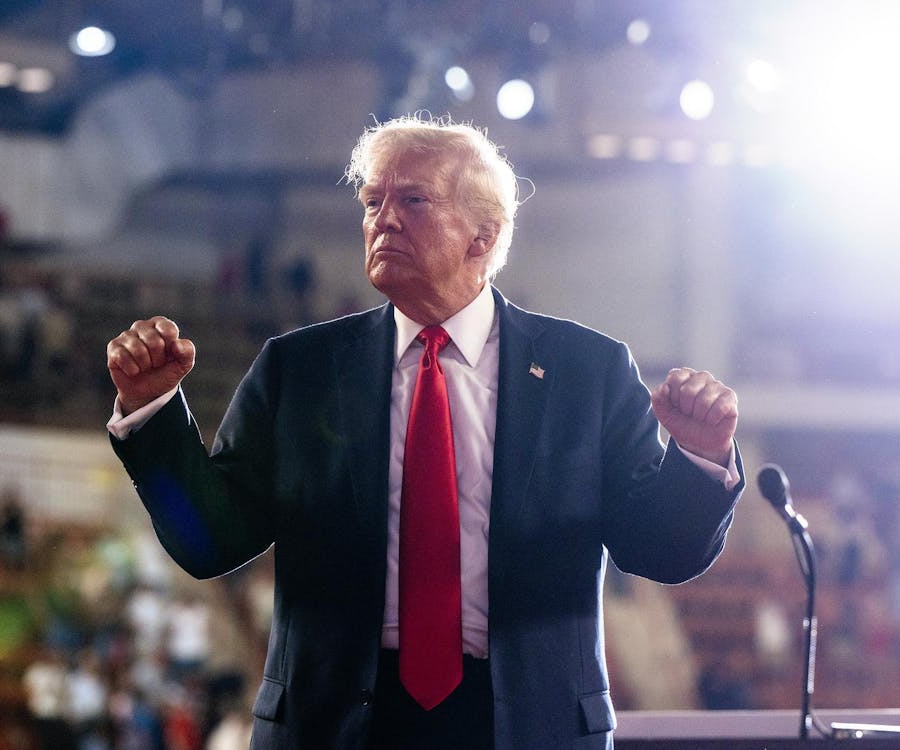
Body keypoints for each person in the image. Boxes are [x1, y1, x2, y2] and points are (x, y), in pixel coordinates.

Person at [106, 114, 744, 750]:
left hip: (525, 725)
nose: (383, 220)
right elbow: (211, 542)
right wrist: (155, 412)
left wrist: (698, 455)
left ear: (481, 235)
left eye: (413, 201)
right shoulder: (298, 369)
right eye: (372, 201)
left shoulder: (590, 371)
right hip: (335, 724)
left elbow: (659, 551)